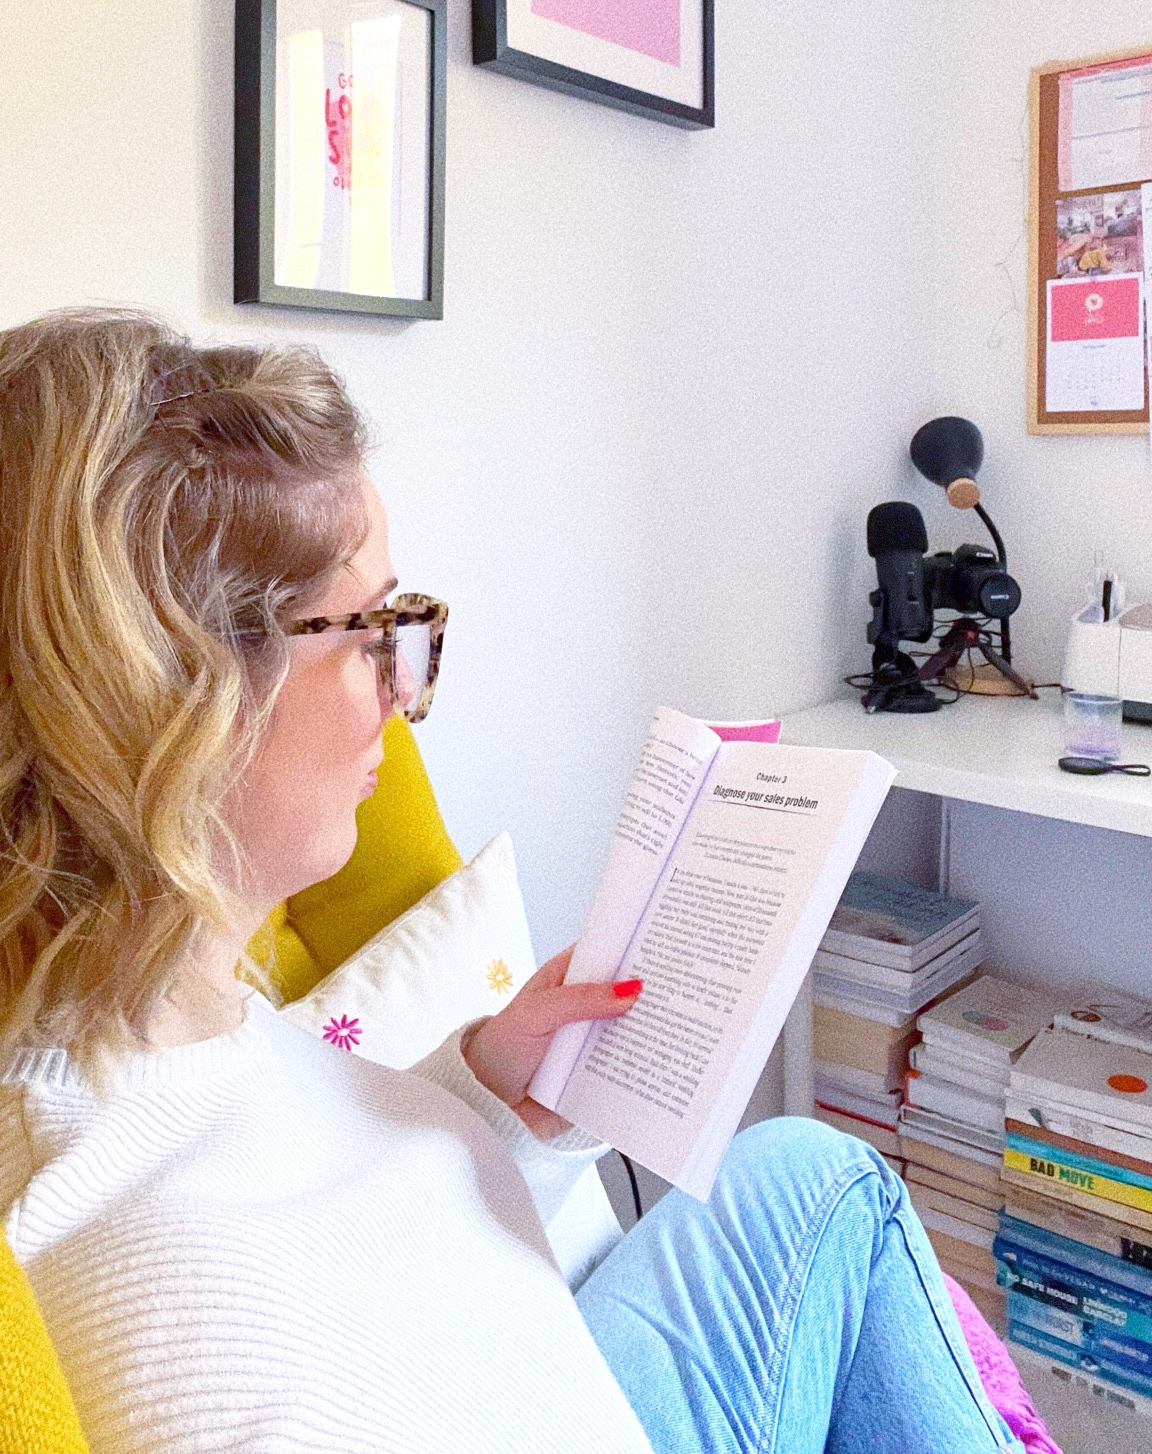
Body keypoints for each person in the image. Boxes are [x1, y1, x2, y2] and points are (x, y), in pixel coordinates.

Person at [0, 310, 1022, 1454]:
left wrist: (482, 1090)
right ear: (172, 698)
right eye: (374, 628)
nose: (404, 686)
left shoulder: (188, 1018)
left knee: (811, 1167)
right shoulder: (178, 1304)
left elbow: (331, 1209)